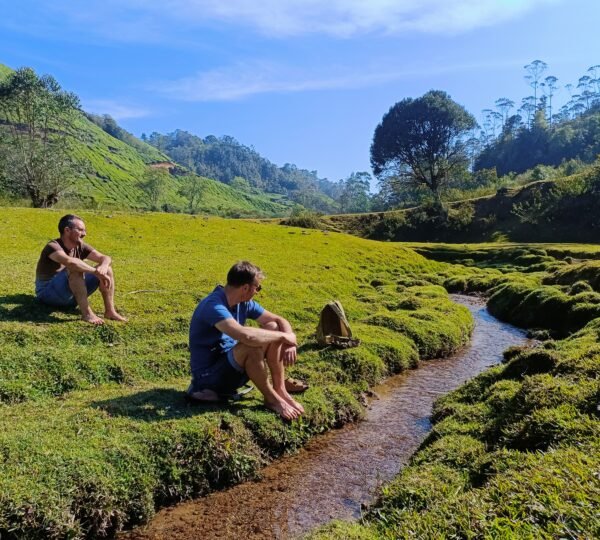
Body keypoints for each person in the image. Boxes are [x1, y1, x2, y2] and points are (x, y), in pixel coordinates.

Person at [188, 261, 304, 420]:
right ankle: (272, 400)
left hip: (231, 368)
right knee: (253, 345)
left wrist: (290, 339)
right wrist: (284, 337)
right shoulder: (213, 305)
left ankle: (280, 390)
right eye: (257, 288)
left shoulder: (243, 303)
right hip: (209, 379)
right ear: (245, 288)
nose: (257, 292)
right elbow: (245, 336)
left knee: (272, 327)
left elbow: (278, 320)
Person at [35, 214, 127, 325]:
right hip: (48, 295)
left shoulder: (80, 245)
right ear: (67, 230)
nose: (84, 234)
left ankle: (110, 311)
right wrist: (95, 272)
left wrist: (103, 266)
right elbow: (71, 262)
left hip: (71, 297)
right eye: (80, 230)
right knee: (75, 268)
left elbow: (105, 257)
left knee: (107, 269)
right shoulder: (53, 246)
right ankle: (87, 314)